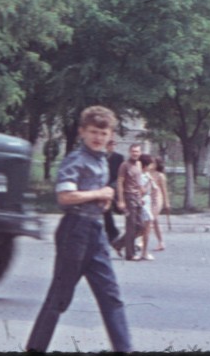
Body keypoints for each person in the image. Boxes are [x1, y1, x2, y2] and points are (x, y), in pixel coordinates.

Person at [26, 105, 134, 353]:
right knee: (60, 297)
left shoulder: (101, 160)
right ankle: (34, 349)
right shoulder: (76, 159)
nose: (98, 137)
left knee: (111, 296)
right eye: (94, 131)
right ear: (82, 132)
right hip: (75, 231)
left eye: (103, 133)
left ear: (110, 136)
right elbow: (65, 196)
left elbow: (90, 195)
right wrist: (100, 193)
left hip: (95, 232)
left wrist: (103, 201)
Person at [116, 144, 148, 260]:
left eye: (137, 151)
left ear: (140, 153)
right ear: (130, 152)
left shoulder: (139, 164)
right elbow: (120, 183)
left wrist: (141, 193)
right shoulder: (124, 165)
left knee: (141, 227)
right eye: (133, 151)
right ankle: (130, 254)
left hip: (137, 198)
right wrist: (121, 200)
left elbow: (138, 182)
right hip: (128, 197)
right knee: (131, 226)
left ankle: (118, 244)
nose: (135, 153)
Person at [102, 137, 126, 252]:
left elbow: (120, 175)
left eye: (113, 145)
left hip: (112, 186)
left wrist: (112, 186)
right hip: (101, 186)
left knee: (108, 210)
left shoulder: (119, 157)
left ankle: (113, 233)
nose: (112, 147)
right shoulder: (101, 156)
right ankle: (111, 232)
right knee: (105, 211)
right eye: (110, 145)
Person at [134, 155, 157, 260]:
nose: (152, 166)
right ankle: (143, 252)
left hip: (148, 201)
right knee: (145, 228)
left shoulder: (147, 174)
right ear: (145, 165)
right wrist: (149, 183)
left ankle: (123, 243)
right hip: (143, 202)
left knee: (145, 229)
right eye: (150, 164)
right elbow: (142, 191)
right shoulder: (141, 176)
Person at [147, 154, 169, 255]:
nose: (150, 164)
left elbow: (164, 191)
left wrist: (166, 203)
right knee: (154, 221)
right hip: (149, 198)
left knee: (151, 219)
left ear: (157, 164)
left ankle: (142, 242)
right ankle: (161, 242)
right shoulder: (146, 173)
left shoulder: (160, 175)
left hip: (157, 198)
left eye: (153, 162)